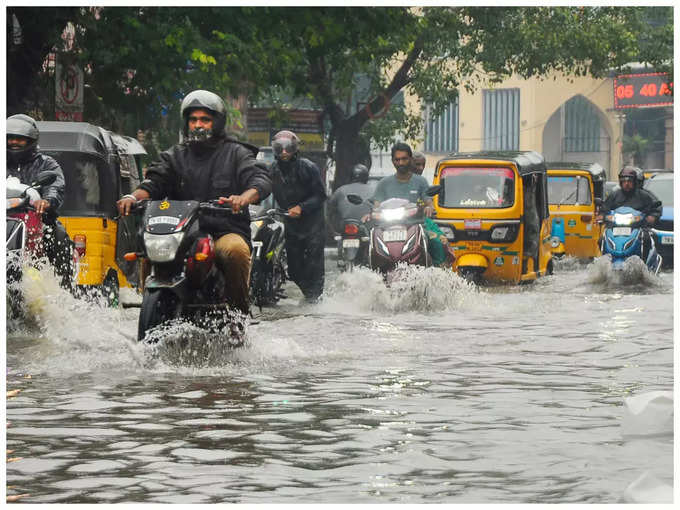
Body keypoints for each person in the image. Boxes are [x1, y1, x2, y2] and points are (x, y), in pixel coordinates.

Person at [117, 89, 271, 317]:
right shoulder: (174, 156)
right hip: (181, 234)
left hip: (223, 231)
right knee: (150, 251)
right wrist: (132, 197)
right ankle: (149, 305)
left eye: (205, 120)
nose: (198, 125)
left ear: (217, 123)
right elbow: (153, 182)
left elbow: (259, 179)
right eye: (193, 119)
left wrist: (243, 198)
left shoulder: (236, 153)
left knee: (236, 252)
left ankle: (239, 316)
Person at [6, 113, 74, 288]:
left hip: (38, 218)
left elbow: (56, 185)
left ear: (31, 141)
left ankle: (63, 287)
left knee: (59, 236)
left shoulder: (46, 163)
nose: (14, 142)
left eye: (20, 139)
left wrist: (47, 201)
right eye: (10, 138)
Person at [268, 130, 327, 303]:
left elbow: (321, 195)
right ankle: (309, 295)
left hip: (313, 225)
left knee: (314, 266)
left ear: (295, 149)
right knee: (293, 269)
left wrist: (302, 207)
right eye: (280, 148)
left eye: (288, 148)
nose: (284, 152)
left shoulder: (308, 167)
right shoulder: (272, 170)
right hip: (291, 225)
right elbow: (262, 189)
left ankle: (315, 301)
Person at [597, 165, 662, 261]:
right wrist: (602, 215)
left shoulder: (643, 195)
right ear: (620, 182)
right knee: (602, 239)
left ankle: (643, 263)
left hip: (638, 227)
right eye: (624, 181)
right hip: (616, 227)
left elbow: (656, 206)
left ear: (634, 182)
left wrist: (652, 216)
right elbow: (605, 208)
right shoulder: (615, 195)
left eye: (629, 181)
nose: (626, 184)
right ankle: (606, 262)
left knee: (646, 238)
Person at [372, 142, 434, 215]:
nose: (401, 163)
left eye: (404, 159)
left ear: (410, 159)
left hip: (415, 224)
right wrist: (371, 214)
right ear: (392, 161)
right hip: (388, 225)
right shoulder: (383, 183)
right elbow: (376, 207)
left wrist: (429, 208)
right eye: (397, 160)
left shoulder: (421, 181)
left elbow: (428, 202)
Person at [327, 163, 373, 234]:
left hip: (345, 226)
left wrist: (333, 229)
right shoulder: (373, 190)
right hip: (367, 226)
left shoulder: (341, 190)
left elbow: (330, 208)